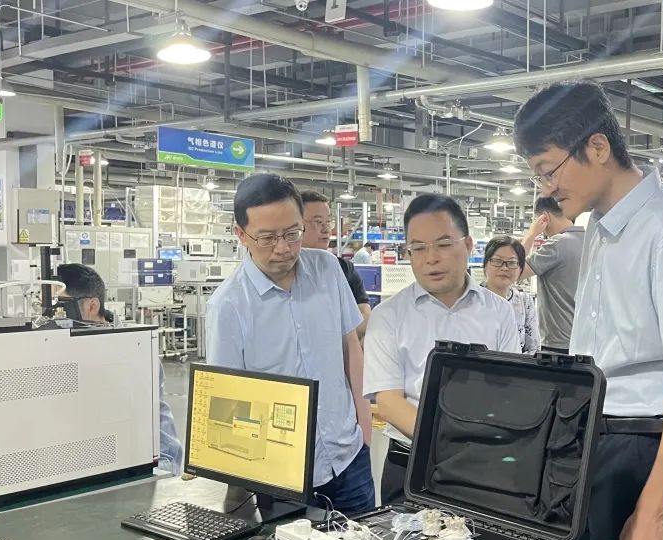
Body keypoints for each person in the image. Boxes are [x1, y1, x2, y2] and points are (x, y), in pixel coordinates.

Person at [514, 80, 663, 540]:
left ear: (597, 146)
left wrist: (652, 511)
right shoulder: (602, 228)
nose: (546, 187)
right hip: (594, 439)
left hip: (641, 447)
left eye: (548, 169)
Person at [206, 173, 374, 515]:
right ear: (241, 234)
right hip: (283, 475)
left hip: (349, 456)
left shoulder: (328, 269)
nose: (283, 248)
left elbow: (350, 348)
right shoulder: (228, 306)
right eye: (267, 237)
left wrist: (364, 429)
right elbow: (228, 402)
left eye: (292, 233)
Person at [363, 194, 519, 504]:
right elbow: (390, 402)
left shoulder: (499, 312)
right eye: (418, 248)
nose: (431, 258)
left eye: (444, 244)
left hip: (484, 466)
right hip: (411, 464)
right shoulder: (388, 316)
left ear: (469, 245)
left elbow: (509, 390)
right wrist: (453, 445)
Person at [54, 263, 184, 475]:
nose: (54, 318)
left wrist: (164, 470)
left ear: (92, 306)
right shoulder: (55, 348)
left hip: (125, 469)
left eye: (62, 308)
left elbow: (157, 419)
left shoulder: (135, 351)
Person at [299, 190, 372, 338]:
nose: (326, 229)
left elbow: (364, 316)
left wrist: (333, 337)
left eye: (328, 222)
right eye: (318, 222)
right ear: (297, 225)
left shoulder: (344, 269)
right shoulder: (284, 270)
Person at [519, 196, 584, 354]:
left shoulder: (556, 244)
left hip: (558, 343)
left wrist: (531, 234)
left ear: (545, 217)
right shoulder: (589, 240)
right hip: (584, 338)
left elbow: (515, 271)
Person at [482, 235, 540, 355]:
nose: (504, 268)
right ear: (486, 264)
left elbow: (533, 349)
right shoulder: (473, 298)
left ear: (520, 269)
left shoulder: (524, 302)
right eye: (497, 261)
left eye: (512, 263)